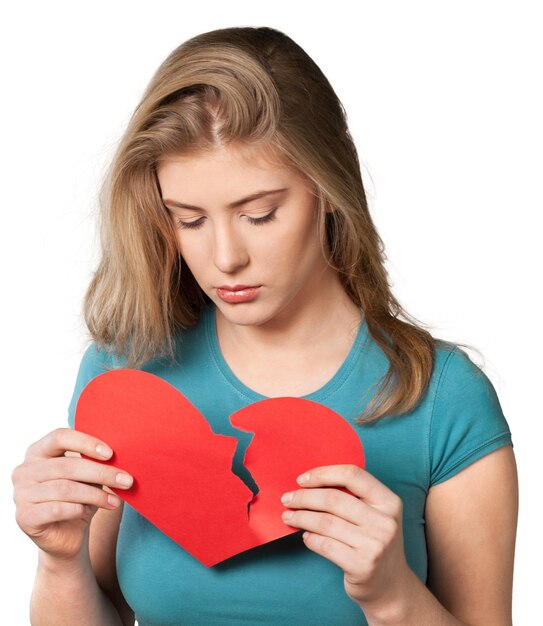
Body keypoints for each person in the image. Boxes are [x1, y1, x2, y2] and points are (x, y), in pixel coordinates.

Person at [12, 26, 517, 626]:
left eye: (259, 213)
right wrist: (58, 560)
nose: (226, 257)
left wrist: (393, 595)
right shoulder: (128, 373)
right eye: (190, 220)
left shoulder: (441, 398)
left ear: (328, 190)